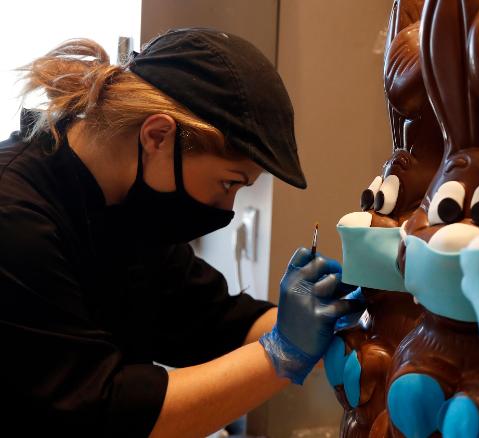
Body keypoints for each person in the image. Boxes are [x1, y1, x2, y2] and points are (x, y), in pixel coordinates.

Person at [0, 28, 365, 437]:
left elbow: (213, 320)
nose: (228, 208)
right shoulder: (15, 220)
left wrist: (334, 322)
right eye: (229, 183)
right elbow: (104, 411)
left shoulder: (128, 216)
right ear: (158, 136)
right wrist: (284, 352)